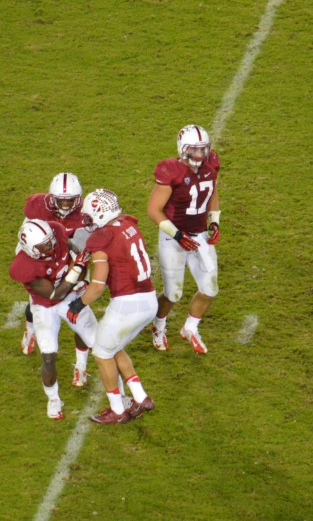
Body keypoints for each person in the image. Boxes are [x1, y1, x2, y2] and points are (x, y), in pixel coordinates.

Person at [67, 189, 157, 424]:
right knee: (114, 346)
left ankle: (117, 410)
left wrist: (78, 304)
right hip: (149, 299)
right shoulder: (127, 223)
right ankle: (140, 397)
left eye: (88, 216)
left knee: (101, 351)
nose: (86, 221)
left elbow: (97, 286)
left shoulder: (101, 237)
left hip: (127, 304)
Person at [9, 218, 97, 420]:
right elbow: (55, 294)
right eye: (44, 245)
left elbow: (76, 254)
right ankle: (53, 398)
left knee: (98, 343)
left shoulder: (57, 232)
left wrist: (80, 276)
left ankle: (81, 368)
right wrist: (76, 272)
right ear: (31, 249)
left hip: (70, 293)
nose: (51, 245)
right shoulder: (23, 267)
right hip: (45, 304)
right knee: (48, 355)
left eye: (50, 240)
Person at [146, 124, 221, 355]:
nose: (199, 155)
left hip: (199, 234)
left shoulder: (212, 164)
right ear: (182, 148)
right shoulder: (170, 170)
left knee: (210, 289)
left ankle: (190, 328)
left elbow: (212, 192)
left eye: (202, 150)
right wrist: (178, 235)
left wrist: (214, 220)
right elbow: (153, 210)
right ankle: (158, 326)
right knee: (173, 293)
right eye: (193, 150)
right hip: (173, 235)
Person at [19, 173, 90, 390]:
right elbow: (27, 234)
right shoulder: (37, 206)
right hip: (43, 260)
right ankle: (30, 330)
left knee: (79, 317)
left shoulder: (86, 215)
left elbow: (82, 251)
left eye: (71, 199)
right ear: (52, 197)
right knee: (36, 302)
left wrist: (73, 273)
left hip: (72, 262)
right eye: (62, 199)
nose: (67, 204)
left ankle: (81, 365)